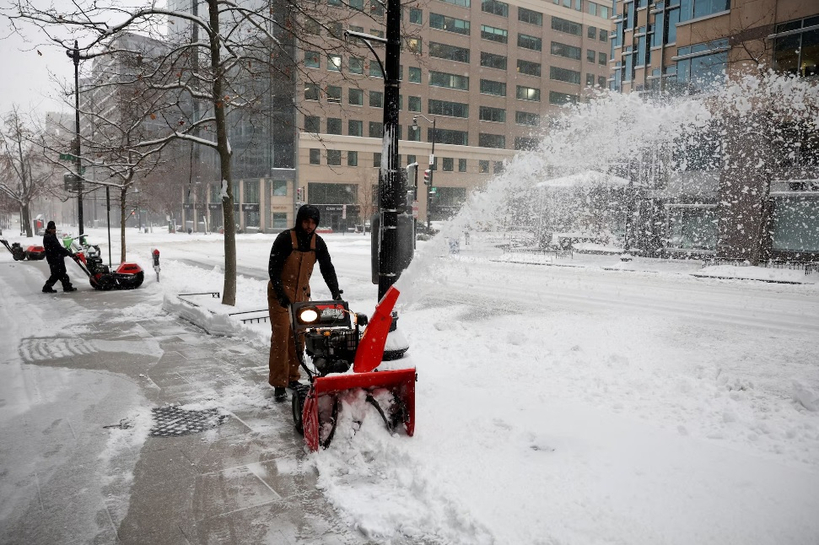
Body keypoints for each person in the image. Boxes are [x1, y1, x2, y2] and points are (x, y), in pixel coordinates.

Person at [267, 205, 342, 402]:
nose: (309, 226)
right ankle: (278, 383)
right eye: (306, 221)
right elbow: (273, 269)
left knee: (298, 337)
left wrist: (335, 291)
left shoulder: (317, 242)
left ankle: (292, 377)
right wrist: (281, 293)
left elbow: (327, 267)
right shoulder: (285, 239)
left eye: (313, 222)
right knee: (282, 336)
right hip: (280, 293)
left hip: (301, 295)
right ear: (299, 220)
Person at [42, 221, 76, 293]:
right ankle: (47, 287)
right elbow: (57, 248)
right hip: (54, 259)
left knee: (61, 273)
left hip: (57, 258)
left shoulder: (51, 235)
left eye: (54, 228)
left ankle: (67, 286)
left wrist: (64, 253)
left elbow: (58, 248)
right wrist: (68, 253)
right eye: (52, 228)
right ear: (48, 229)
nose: (54, 230)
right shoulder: (49, 237)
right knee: (56, 274)